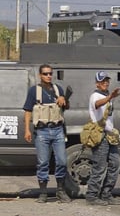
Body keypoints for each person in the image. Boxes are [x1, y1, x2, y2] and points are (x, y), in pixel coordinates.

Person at [23, 64, 71, 203]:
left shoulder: (58, 89)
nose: (48, 76)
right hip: (42, 131)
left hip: (57, 130)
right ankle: (43, 192)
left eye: (50, 73)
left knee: (62, 161)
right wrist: (27, 129)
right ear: (40, 75)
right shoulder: (34, 91)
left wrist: (64, 100)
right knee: (43, 162)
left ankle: (60, 190)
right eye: (45, 74)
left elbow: (66, 107)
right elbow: (27, 111)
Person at [85, 71, 120, 206]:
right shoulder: (95, 95)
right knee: (99, 167)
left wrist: (110, 97)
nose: (105, 83)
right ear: (97, 83)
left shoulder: (107, 96)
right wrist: (110, 96)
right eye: (102, 81)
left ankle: (106, 193)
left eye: (107, 80)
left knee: (115, 164)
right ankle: (92, 195)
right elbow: (97, 104)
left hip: (109, 135)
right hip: (100, 136)